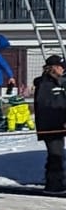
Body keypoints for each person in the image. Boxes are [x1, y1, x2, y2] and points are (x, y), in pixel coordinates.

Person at [34, 54, 66, 195]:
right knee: (55, 154)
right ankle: (54, 184)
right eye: (60, 67)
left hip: (60, 123)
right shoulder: (44, 84)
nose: (62, 69)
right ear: (53, 67)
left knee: (57, 154)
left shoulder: (60, 83)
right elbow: (45, 107)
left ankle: (56, 180)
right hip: (50, 125)